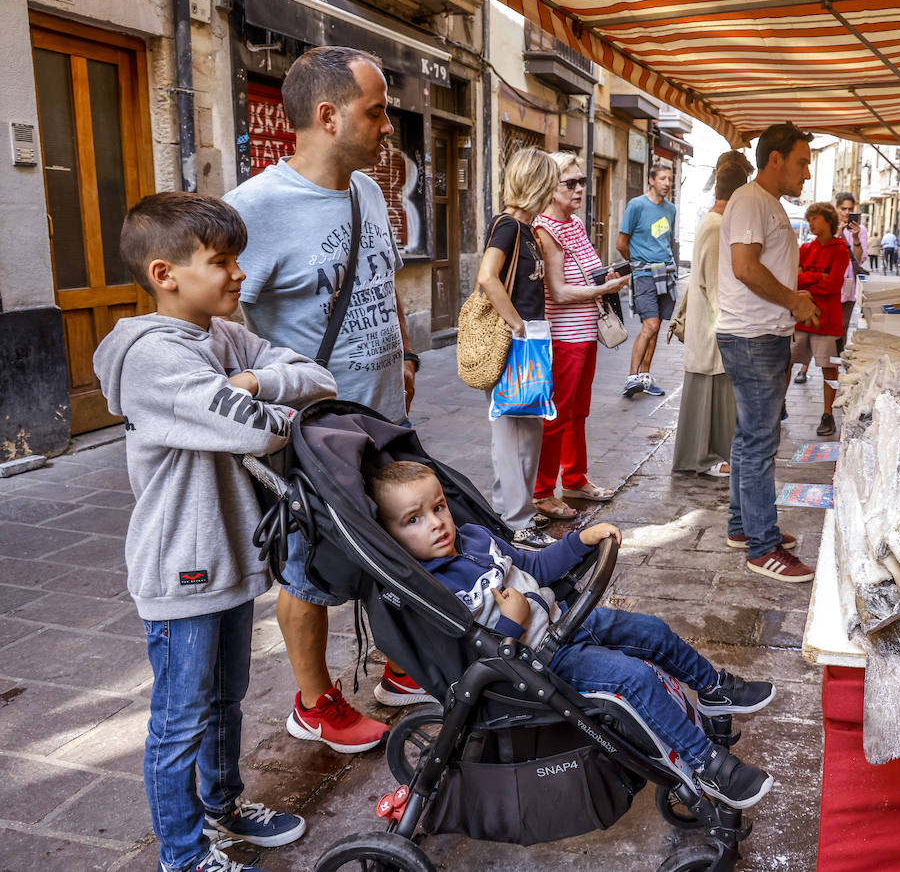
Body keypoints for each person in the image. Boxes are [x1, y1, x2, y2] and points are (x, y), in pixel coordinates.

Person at [93, 193, 337, 872]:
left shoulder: (224, 337)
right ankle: (182, 855)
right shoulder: (151, 358)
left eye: (238, 259)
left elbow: (317, 376)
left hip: (231, 556)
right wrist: (272, 406)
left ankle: (223, 806)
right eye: (221, 261)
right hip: (183, 565)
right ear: (165, 273)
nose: (239, 275)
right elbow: (263, 429)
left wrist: (255, 377)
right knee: (180, 721)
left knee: (225, 701)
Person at [368, 461, 777, 809]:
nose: (438, 523)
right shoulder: (433, 589)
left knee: (650, 629)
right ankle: (706, 765)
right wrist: (512, 620)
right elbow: (477, 662)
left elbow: (534, 564)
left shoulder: (473, 537)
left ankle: (713, 687)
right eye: (414, 519)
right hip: (539, 663)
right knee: (634, 678)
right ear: (390, 537)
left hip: (565, 622)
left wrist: (579, 540)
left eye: (439, 506)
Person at [224, 46, 417, 748]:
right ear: (330, 116)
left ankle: (400, 663)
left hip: (383, 414)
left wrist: (408, 353)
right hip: (311, 433)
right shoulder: (251, 212)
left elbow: (381, 278)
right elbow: (210, 322)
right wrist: (257, 395)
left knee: (395, 536)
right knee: (306, 566)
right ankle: (314, 702)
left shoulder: (367, 190)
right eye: (379, 110)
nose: (389, 126)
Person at [716, 122, 820, 584]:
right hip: (753, 337)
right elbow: (744, 267)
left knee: (750, 437)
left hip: (762, 335)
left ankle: (744, 526)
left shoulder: (768, 204)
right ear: (774, 159)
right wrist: (794, 301)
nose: (807, 173)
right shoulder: (751, 201)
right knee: (760, 443)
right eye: (801, 162)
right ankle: (763, 546)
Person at [532, 152, 628, 519]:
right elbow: (557, 291)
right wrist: (603, 289)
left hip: (586, 333)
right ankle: (543, 492)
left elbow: (585, 275)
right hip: (564, 336)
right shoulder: (546, 229)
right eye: (569, 183)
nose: (578, 189)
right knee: (556, 416)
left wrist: (604, 280)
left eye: (581, 182)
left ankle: (574, 479)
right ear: (549, 188)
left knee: (578, 412)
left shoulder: (575, 224)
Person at [475, 146, 561, 550]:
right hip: (515, 343)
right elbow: (488, 278)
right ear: (539, 183)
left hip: (531, 342)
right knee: (511, 432)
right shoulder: (508, 226)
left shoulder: (527, 230)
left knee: (528, 430)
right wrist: (518, 326)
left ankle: (516, 511)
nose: (557, 188)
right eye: (553, 181)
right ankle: (516, 520)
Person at [669, 151, 752, 476]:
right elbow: (717, 286)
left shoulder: (712, 222)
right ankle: (704, 458)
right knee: (712, 395)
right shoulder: (718, 227)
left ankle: (707, 456)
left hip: (709, 326)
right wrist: (730, 330)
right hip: (712, 328)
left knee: (713, 395)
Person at [618, 161, 677, 398]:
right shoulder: (636, 206)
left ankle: (645, 377)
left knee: (657, 326)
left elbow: (665, 241)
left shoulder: (671, 210)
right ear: (651, 180)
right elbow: (621, 243)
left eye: (670, 179)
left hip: (667, 273)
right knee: (650, 325)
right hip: (643, 274)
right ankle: (631, 378)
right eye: (662, 178)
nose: (667, 183)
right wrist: (637, 264)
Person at [791, 202, 849, 437]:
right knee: (787, 363)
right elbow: (794, 279)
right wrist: (817, 276)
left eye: (816, 218)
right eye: (810, 218)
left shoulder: (840, 249)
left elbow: (834, 284)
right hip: (801, 318)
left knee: (829, 369)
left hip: (827, 320)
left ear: (828, 220)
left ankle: (828, 414)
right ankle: (779, 407)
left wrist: (807, 280)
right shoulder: (805, 249)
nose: (811, 223)